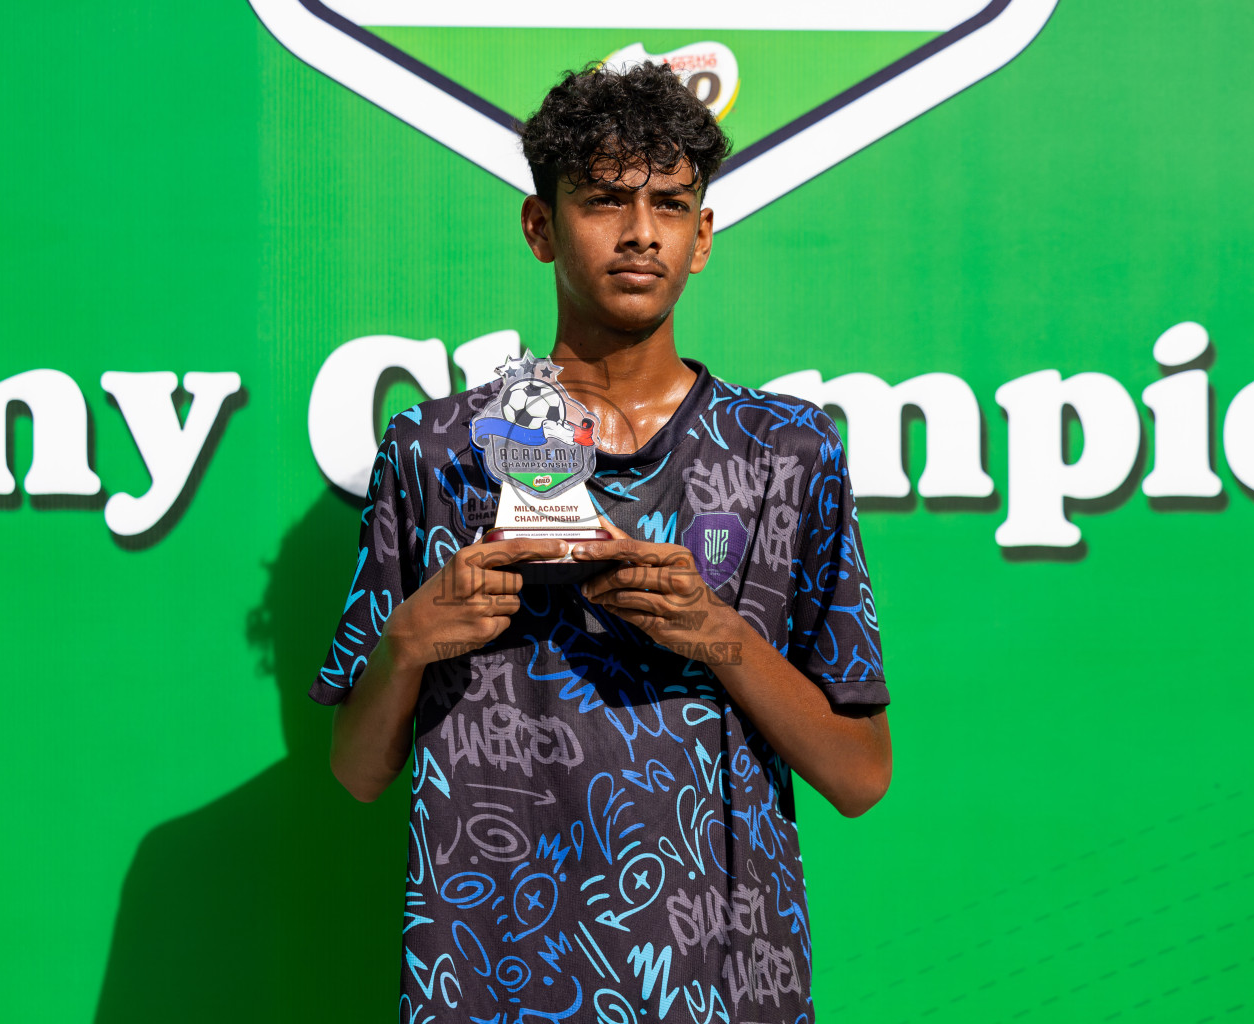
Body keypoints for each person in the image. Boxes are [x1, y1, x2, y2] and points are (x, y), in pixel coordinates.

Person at [311, 60, 892, 1023]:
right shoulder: (436, 451)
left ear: (702, 237)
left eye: (669, 205)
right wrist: (415, 637)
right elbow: (358, 770)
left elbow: (861, 775)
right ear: (540, 226)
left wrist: (716, 634)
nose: (639, 234)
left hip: (722, 984)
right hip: (489, 980)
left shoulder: (790, 452)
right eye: (604, 201)